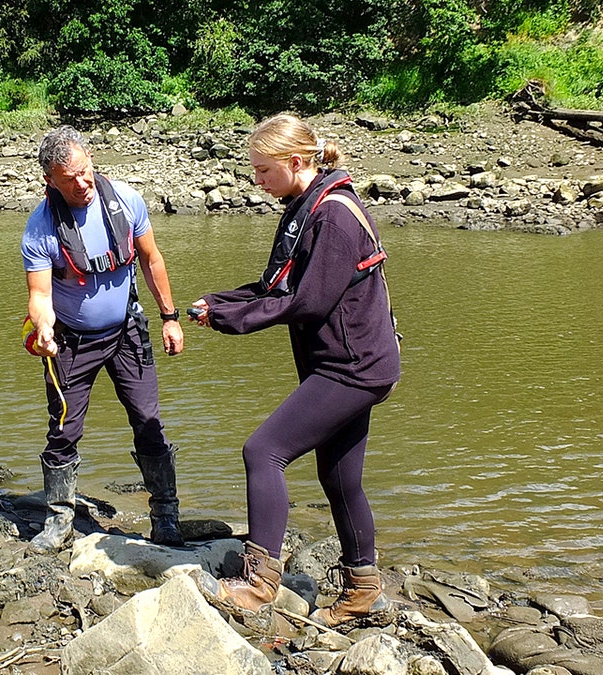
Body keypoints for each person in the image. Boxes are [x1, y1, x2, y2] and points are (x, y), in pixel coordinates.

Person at [189, 114, 401, 628]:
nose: (256, 181)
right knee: (339, 476)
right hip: (355, 362)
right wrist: (217, 302)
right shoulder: (305, 207)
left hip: (352, 367)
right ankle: (363, 589)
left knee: (263, 451)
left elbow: (307, 302)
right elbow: (275, 284)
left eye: (263, 170)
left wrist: (231, 321)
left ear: (296, 162)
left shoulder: (334, 217)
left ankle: (259, 581)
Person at [21, 125, 185, 553]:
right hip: (71, 341)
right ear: (49, 181)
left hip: (127, 331)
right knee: (63, 429)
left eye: (84, 170)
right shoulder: (41, 228)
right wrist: (42, 328)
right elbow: (39, 295)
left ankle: (166, 514)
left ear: (90, 158)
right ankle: (59, 520)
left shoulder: (127, 201)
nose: (82, 183)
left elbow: (151, 259)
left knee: (149, 423)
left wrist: (170, 317)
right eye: (69, 179)